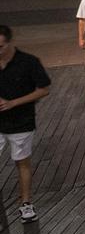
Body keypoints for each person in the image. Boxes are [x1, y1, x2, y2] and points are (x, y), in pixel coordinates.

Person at [0, 25, 51, 223]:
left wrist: (13, 103)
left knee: (22, 162)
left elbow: (44, 89)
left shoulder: (28, 62)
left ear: (10, 42)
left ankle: (26, 203)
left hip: (21, 122)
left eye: (1, 46)